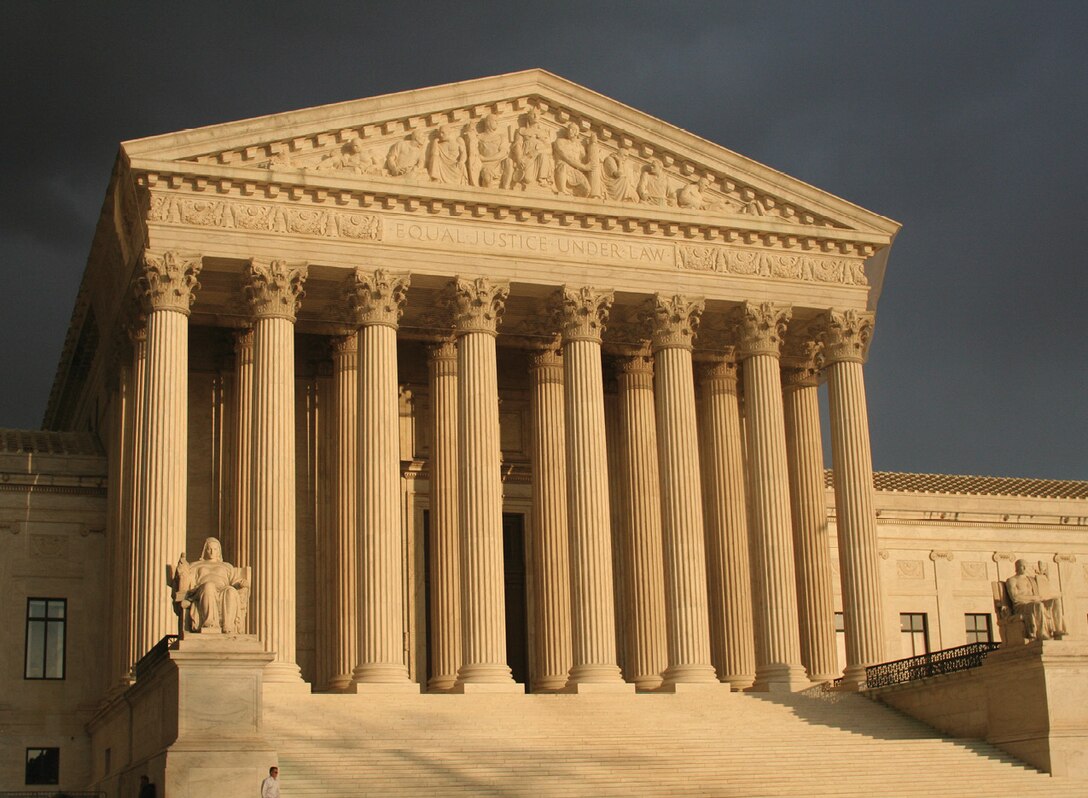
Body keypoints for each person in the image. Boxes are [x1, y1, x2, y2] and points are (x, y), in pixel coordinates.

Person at [171, 537, 249, 634]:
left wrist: (241, 584)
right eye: (209, 549)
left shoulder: (227, 566)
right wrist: (182, 567)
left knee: (231, 591)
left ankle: (228, 626)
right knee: (209, 586)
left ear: (219, 551)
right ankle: (210, 623)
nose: (212, 552)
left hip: (222, 590)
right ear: (205, 550)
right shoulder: (196, 565)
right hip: (201, 591)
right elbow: (186, 577)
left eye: (215, 549)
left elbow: (235, 581)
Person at [1006, 559, 1066, 640]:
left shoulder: (1031, 579)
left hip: (1034, 603)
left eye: (1026, 566)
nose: (1024, 568)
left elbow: (1043, 592)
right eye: (1022, 566)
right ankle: (1041, 632)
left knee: (1056, 601)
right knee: (1038, 605)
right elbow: (1015, 598)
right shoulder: (1012, 580)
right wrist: (1034, 598)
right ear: (1016, 568)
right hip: (1021, 606)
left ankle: (1058, 630)